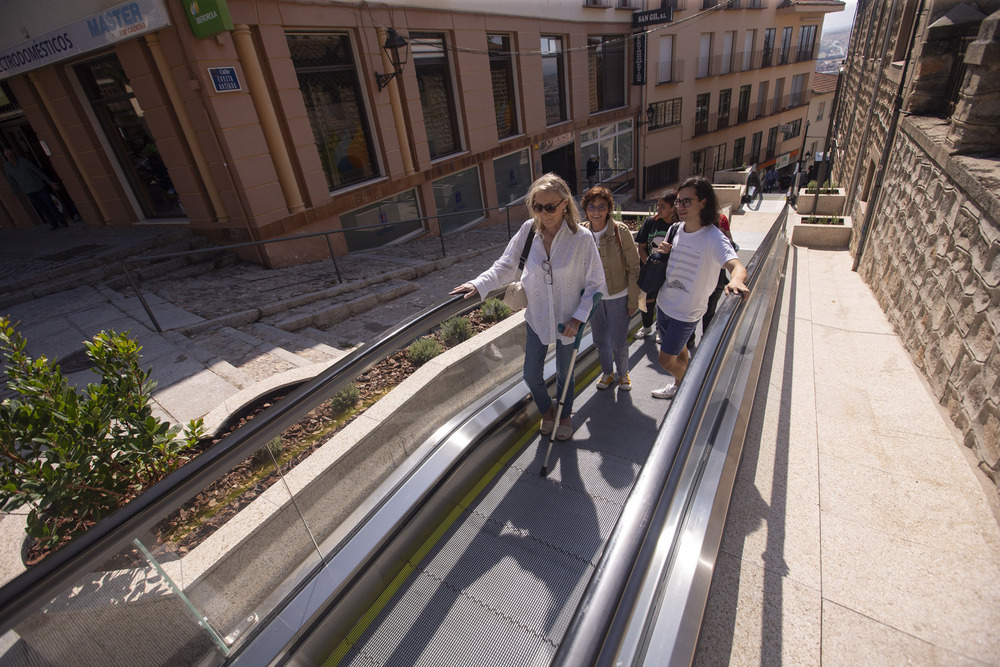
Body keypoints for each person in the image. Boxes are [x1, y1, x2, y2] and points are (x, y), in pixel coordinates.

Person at [451, 174, 605, 440]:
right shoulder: (528, 232)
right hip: (537, 316)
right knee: (531, 374)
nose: (543, 213)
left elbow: (596, 283)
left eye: (550, 207)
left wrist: (578, 318)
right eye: (537, 206)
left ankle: (565, 415)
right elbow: (506, 265)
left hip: (569, 320)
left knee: (564, 374)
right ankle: (547, 411)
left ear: (565, 204)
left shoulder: (582, 238)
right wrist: (479, 284)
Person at [651, 176, 750, 400]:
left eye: (688, 201)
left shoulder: (713, 238)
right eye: (679, 202)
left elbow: (737, 266)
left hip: (686, 313)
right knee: (681, 350)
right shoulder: (676, 229)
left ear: (703, 203)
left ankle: (693, 389)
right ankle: (679, 385)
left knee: (666, 359)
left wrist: (736, 280)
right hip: (665, 304)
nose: (681, 207)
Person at [580, 186, 640, 392]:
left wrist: (633, 300)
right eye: (592, 206)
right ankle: (608, 373)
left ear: (609, 209)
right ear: (586, 209)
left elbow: (634, 267)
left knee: (619, 341)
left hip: (618, 296)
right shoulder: (580, 232)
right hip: (594, 299)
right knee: (600, 340)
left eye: (601, 206)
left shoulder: (619, 231)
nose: (596, 211)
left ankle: (623, 374)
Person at [687, 211, 736, 353]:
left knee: (709, 311)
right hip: (696, 282)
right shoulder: (691, 233)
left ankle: (706, 340)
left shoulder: (718, 236)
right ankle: (691, 338)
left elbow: (731, 255)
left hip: (715, 281)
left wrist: (736, 278)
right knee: (694, 310)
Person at [634, 191, 678, 343]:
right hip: (650, 269)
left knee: (665, 302)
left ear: (673, 208)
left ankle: (661, 329)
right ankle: (647, 327)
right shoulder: (650, 222)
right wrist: (650, 265)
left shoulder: (678, 227)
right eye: (658, 205)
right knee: (647, 300)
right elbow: (641, 246)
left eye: (663, 206)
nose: (658, 208)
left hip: (670, 272)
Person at [4, 148, 67, 230]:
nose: (10, 156)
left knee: (49, 204)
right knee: (42, 207)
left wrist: (49, 182)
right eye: (7, 155)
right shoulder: (7, 166)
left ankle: (62, 221)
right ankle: (53, 223)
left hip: (38, 186)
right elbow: (11, 180)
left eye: (11, 153)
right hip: (28, 190)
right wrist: (14, 192)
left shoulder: (23, 161)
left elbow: (37, 171)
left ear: (14, 153)